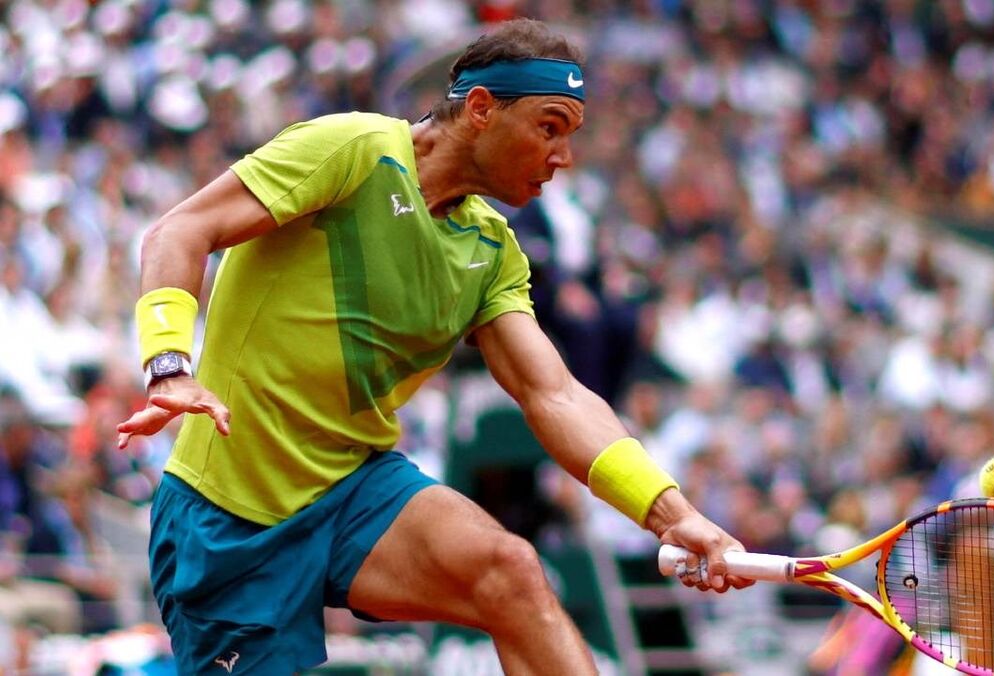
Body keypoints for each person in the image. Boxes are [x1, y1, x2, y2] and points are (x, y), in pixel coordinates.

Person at [116, 18, 751, 675]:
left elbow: (555, 395)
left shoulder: (493, 251)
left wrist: (672, 514)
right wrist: (168, 365)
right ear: (480, 109)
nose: (563, 157)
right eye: (549, 128)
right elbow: (179, 230)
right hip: (227, 517)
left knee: (509, 571)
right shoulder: (353, 150)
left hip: (353, 491)